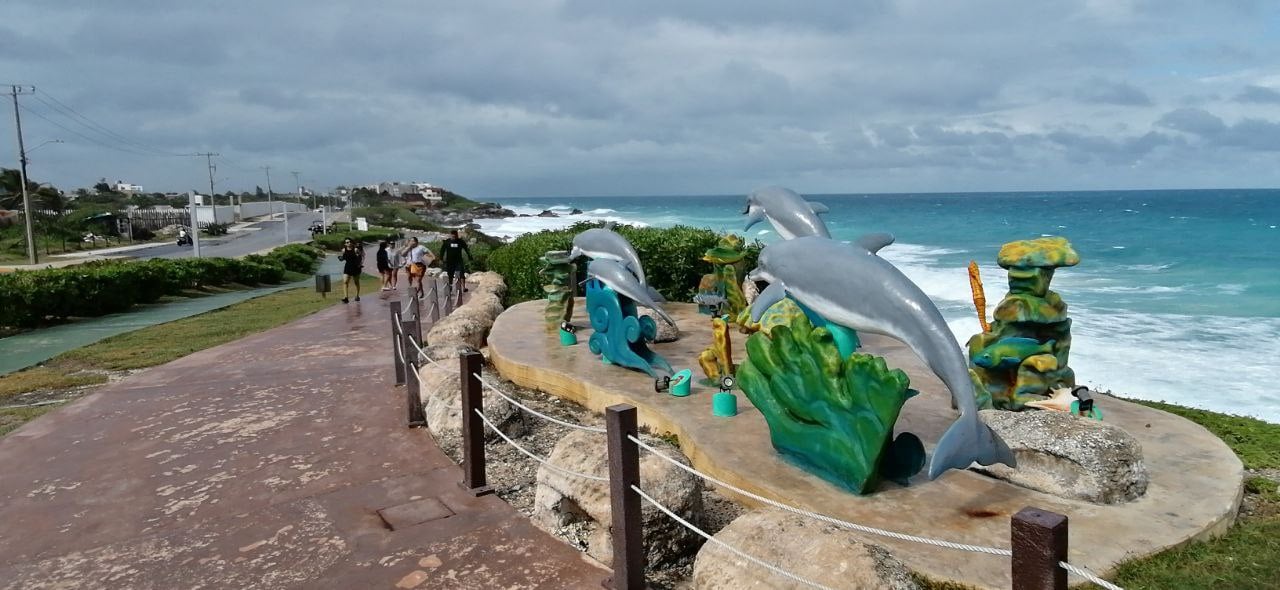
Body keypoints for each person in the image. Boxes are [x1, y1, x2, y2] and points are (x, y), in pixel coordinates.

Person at [337, 237, 364, 303]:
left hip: (355, 267)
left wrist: (360, 263)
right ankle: (346, 297)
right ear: (345, 244)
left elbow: (362, 256)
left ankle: (357, 295)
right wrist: (340, 258)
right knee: (345, 281)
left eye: (349, 242)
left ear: (352, 243)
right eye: (347, 242)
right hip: (347, 267)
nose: (348, 243)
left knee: (356, 282)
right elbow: (343, 257)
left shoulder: (355, 250)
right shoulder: (343, 250)